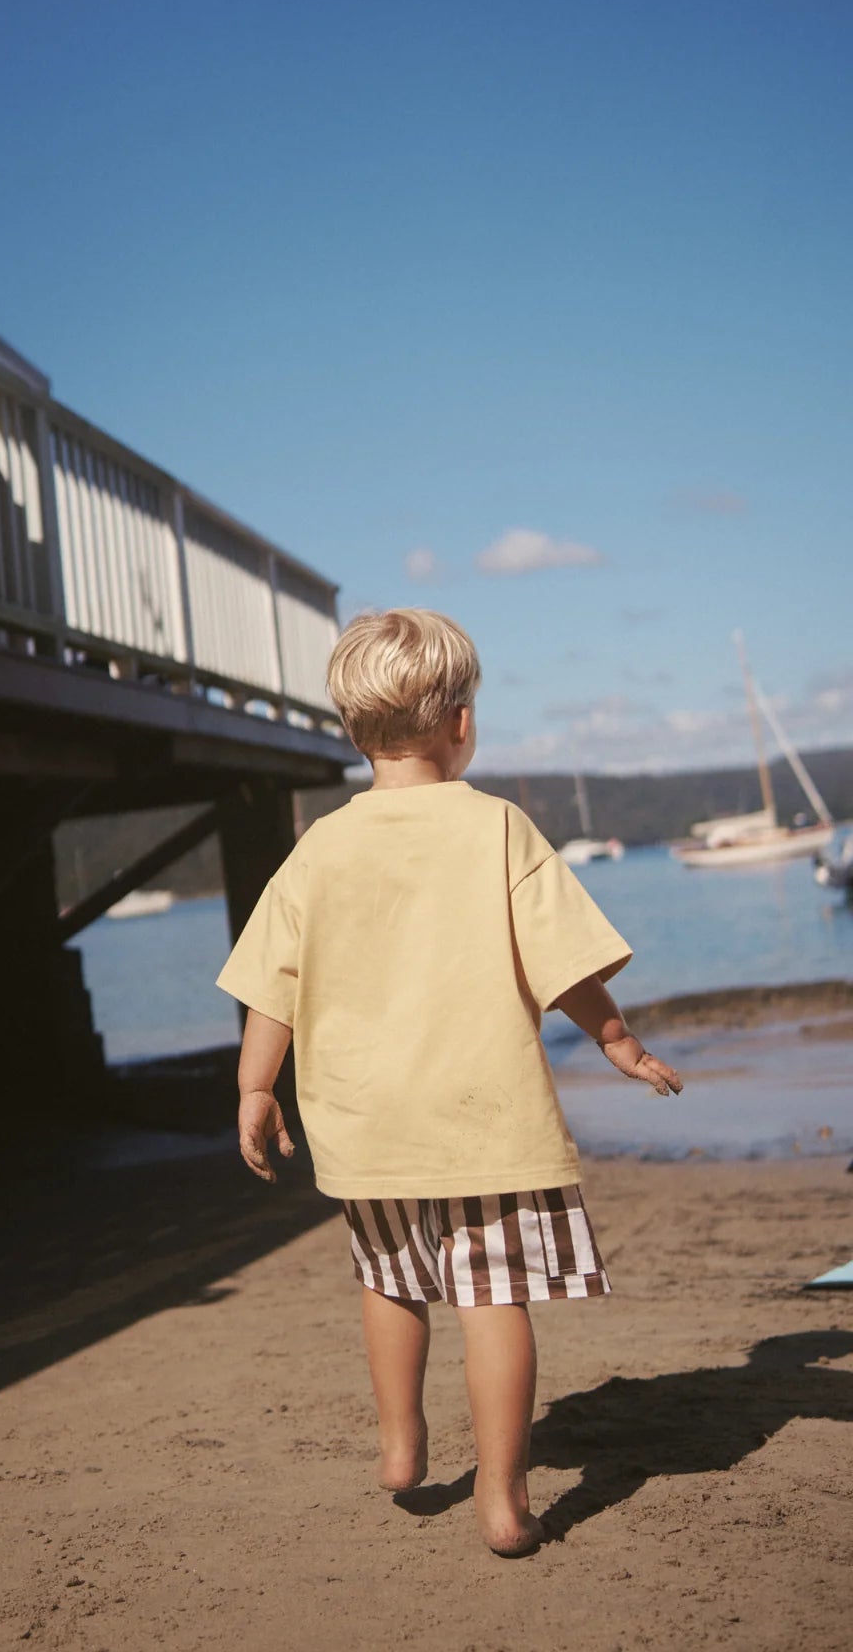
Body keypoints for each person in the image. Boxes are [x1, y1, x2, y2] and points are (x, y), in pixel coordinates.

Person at [215, 608, 683, 1557]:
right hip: (482, 1116)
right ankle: (505, 1503)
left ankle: (401, 1449)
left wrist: (255, 1089)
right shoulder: (497, 829)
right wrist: (619, 1040)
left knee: (391, 1283)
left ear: (354, 730)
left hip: (365, 1123)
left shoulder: (320, 848)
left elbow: (275, 983)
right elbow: (562, 965)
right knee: (491, 1298)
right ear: (460, 721)